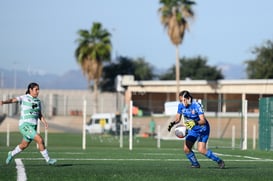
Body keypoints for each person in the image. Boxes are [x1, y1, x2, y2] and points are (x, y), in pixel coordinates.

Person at [0, 82, 57, 165]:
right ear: (30, 90)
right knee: (40, 139)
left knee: (24, 145)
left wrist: (44, 122)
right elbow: (12, 100)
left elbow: (39, 114)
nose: (38, 91)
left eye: (38, 90)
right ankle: (48, 160)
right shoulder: (24, 98)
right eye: (36, 89)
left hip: (33, 127)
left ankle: (11, 154)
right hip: (25, 125)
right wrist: (4, 102)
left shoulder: (38, 101)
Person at [168, 90, 225, 169]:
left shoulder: (196, 105)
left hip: (203, 129)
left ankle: (219, 161)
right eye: (181, 100)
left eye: (183, 100)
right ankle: (195, 164)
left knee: (201, 149)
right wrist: (173, 123)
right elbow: (178, 118)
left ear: (188, 98)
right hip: (193, 129)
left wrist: (195, 122)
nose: (182, 102)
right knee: (186, 149)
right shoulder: (180, 106)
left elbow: (203, 121)